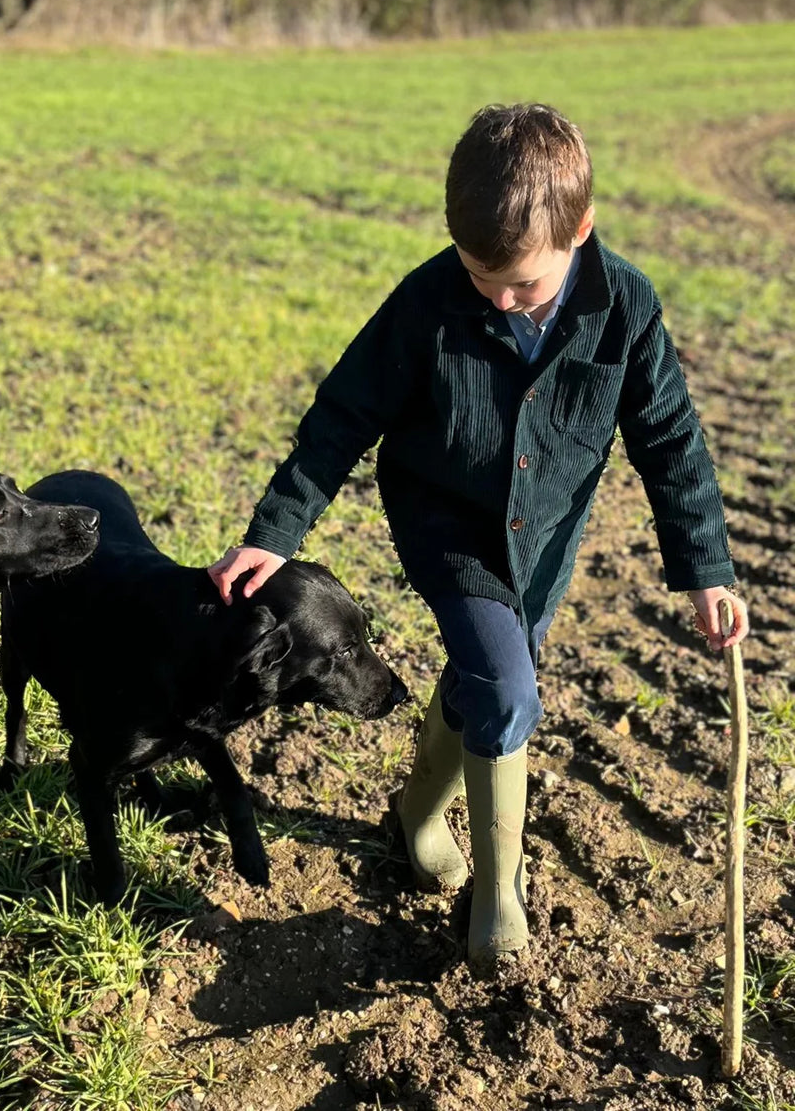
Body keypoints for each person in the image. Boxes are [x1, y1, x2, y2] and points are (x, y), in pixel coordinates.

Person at [207, 103, 749, 968]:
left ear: (582, 229)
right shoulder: (426, 302)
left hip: (547, 542)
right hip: (446, 526)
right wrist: (275, 530)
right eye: (478, 272)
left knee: (492, 676)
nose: (497, 296)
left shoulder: (626, 309)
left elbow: (671, 440)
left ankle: (414, 812)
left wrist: (706, 567)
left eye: (522, 284)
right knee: (506, 691)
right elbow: (342, 416)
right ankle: (499, 896)